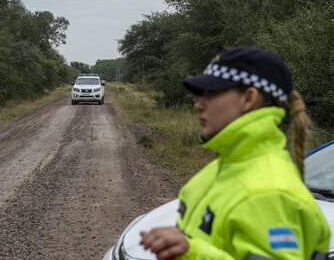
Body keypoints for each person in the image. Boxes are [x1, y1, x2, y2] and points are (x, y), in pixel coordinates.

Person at [140, 47, 331, 260]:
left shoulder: (269, 192)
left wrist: (191, 253)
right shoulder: (217, 171)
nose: (198, 105)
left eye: (211, 93)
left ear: (249, 99)